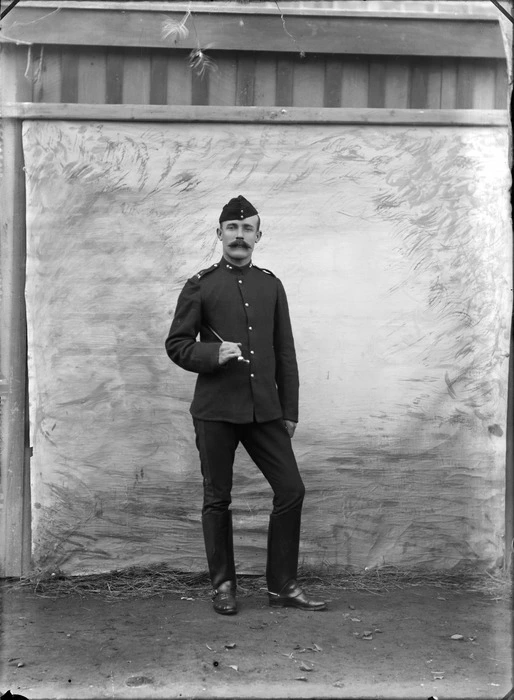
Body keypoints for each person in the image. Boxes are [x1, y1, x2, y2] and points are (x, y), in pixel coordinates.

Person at [165, 195, 326, 615]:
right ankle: (224, 587)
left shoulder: (271, 284)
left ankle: (283, 587)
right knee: (217, 498)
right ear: (219, 233)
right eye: (232, 229)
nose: (240, 236)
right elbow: (176, 345)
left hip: (265, 412)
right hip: (215, 411)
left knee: (291, 490)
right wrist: (210, 354)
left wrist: (289, 411)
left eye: (248, 229)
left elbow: (285, 352)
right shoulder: (199, 284)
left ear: (258, 236)